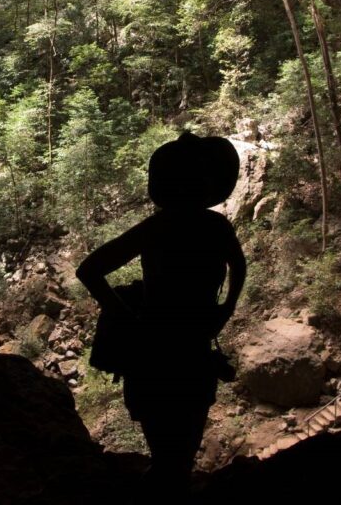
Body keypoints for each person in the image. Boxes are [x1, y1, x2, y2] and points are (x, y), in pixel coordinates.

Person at [76, 132, 246, 495]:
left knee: (169, 449)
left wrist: (123, 315)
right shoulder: (213, 226)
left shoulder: (160, 227)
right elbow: (238, 266)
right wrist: (225, 310)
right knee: (180, 448)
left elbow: (90, 270)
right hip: (188, 347)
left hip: (155, 347)